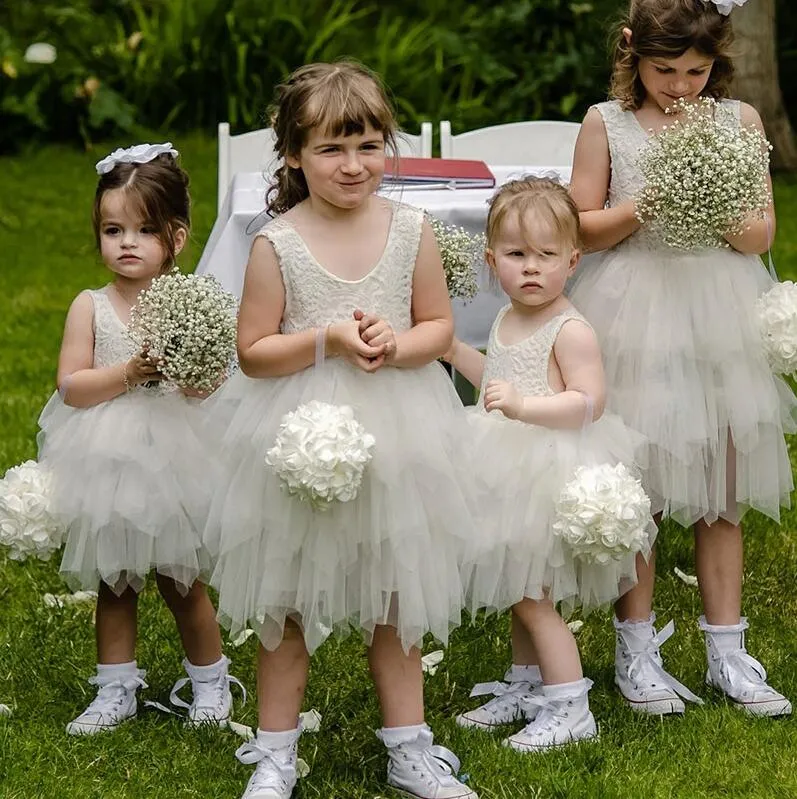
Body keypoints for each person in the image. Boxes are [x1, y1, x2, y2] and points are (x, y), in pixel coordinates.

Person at [202, 62, 477, 799]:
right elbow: (254, 353)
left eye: (367, 145)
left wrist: (396, 345)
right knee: (283, 601)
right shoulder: (276, 243)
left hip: (400, 426)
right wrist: (324, 338)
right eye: (330, 149)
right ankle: (273, 751)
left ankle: (408, 745)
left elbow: (439, 327)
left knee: (398, 594)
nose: (352, 165)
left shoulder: (412, 229)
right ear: (292, 154)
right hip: (299, 434)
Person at [565, 0, 794, 717]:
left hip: (716, 312)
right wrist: (649, 200)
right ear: (631, 52)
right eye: (665, 70)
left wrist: (715, 200)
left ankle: (727, 651)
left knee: (720, 491)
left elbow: (759, 236)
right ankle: (636, 652)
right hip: (631, 311)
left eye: (695, 71)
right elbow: (580, 227)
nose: (680, 85)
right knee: (643, 489)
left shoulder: (739, 122)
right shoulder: (606, 124)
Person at [37, 144, 240, 735]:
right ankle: (115, 688)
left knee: (182, 582)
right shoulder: (90, 306)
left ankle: (210, 681)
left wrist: (188, 368)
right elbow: (71, 385)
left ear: (176, 237)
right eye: (112, 229)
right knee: (115, 580)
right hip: (111, 458)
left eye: (144, 229)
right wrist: (129, 372)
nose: (126, 242)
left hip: (178, 457)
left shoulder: (188, 305)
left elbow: (211, 387)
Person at [446, 177, 654, 750]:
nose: (531, 269)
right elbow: (495, 379)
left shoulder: (571, 328)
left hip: (550, 472)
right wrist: (449, 348)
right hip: (507, 463)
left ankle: (569, 705)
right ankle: (526, 683)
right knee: (519, 583)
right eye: (516, 256)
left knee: (534, 595)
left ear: (573, 259)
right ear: (492, 262)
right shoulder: (509, 318)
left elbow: (589, 402)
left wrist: (524, 406)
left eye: (546, 256)